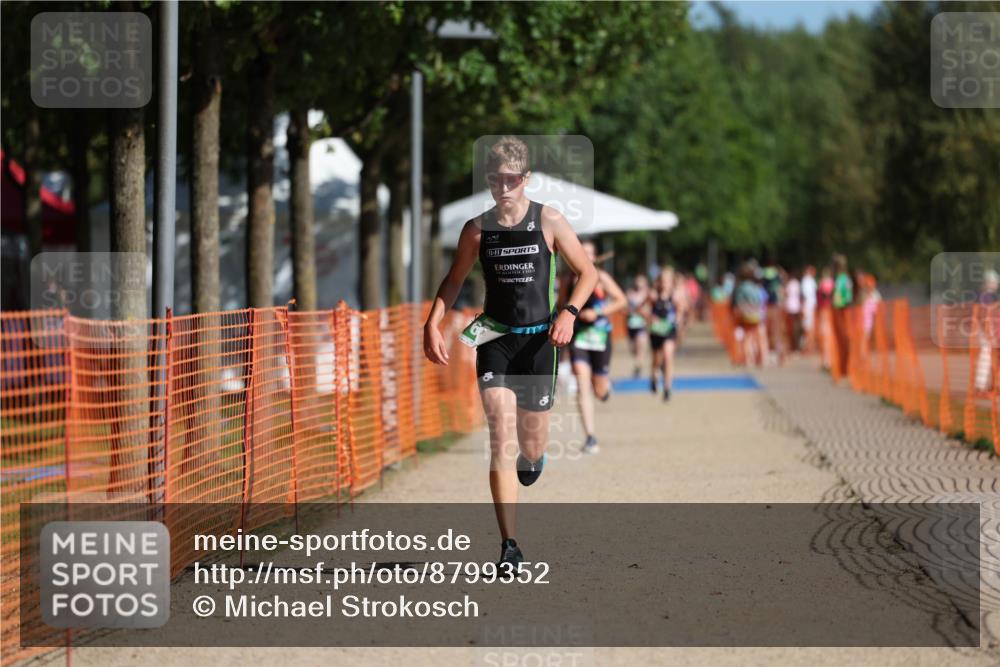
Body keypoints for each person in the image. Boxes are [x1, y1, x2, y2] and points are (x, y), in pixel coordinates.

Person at [423, 136, 597, 568]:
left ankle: (533, 456)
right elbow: (454, 279)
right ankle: (509, 546)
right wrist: (432, 322)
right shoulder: (477, 230)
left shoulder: (548, 220)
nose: (504, 188)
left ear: (526, 179)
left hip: (541, 343)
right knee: (500, 434)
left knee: (530, 446)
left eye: (512, 180)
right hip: (495, 339)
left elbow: (588, 272)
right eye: (496, 180)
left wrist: (569, 313)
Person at [562, 241, 627, 454]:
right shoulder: (568, 279)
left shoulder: (602, 277)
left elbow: (621, 300)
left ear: (595, 257)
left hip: (600, 336)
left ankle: (604, 388)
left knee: (599, 390)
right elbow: (560, 304)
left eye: (589, 253)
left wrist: (597, 313)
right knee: (582, 383)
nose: (585, 256)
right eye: (582, 252)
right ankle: (590, 436)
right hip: (578, 336)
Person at [646, 266, 680, 400]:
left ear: (672, 282)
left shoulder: (675, 296)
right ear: (659, 281)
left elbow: (681, 309)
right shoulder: (653, 295)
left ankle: (667, 387)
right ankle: (654, 377)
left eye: (668, 280)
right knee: (657, 359)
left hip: (670, 330)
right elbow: (642, 308)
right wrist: (651, 317)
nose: (665, 283)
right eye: (663, 280)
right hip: (656, 331)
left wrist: (677, 319)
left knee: (668, 356)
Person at [731, 262, 767, 367]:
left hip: (746, 315)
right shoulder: (756, 287)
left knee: (747, 338)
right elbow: (760, 300)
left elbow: (739, 302)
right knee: (759, 337)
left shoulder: (741, 287)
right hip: (757, 314)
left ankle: (749, 359)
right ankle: (761, 358)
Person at [830, 254, 854, 378]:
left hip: (842, 311)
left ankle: (845, 368)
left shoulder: (843, 279)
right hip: (839, 310)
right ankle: (841, 367)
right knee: (841, 340)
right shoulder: (841, 279)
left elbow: (846, 297)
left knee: (844, 339)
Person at [625, 274, 651, 378]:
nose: (639, 284)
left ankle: (638, 365)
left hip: (642, 324)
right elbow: (625, 308)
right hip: (631, 324)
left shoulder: (648, 294)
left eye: (641, 282)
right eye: (637, 281)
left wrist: (644, 314)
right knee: (633, 349)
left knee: (641, 345)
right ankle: (638, 360)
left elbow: (650, 309)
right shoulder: (630, 293)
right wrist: (629, 312)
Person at [784, 269, 802, 352]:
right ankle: (796, 345)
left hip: (790, 307)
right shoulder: (797, 283)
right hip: (796, 307)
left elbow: (786, 294)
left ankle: (792, 345)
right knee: (796, 326)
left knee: (790, 327)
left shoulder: (789, 284)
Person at [800, 265, 817, 353]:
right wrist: (804, 307)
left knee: (809, 327)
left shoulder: (810, 280)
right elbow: (805, 295)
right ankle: (807, 347)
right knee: (807, 327)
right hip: (808, 306)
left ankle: (809, 346)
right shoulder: (806, 280)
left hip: (810, 306)